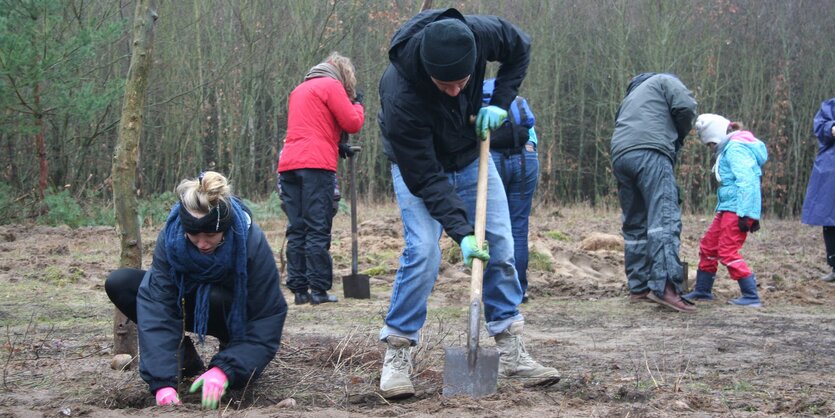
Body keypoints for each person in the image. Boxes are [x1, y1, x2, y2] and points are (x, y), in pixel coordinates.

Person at [376, 8, 559, 399]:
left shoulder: (478, 35)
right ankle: (397, 351)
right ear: (428, 73)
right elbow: (424, 177)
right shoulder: (400, 93)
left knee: (502, 246)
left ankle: (510, 347)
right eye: (447, 85)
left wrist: (502, 100)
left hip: (472, 154)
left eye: (463, 82)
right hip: (419, 166)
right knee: (424, 250)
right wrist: (460, 232)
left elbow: (520, 47)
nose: (457, 91)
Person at [105, 171, 287, 409]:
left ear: (225, 227)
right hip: (189, 304)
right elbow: (158, 305)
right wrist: (162, 383)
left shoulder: (250, 240)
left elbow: (267, 315)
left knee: (215, 296)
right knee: (123, 283)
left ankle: (231, 351)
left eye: (210, 235)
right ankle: (183, 360)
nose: (202, 243)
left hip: (236, 315)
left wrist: (226, 369)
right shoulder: (172, 237)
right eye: (194, 235)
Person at [276, 52, 365, 305]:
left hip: (289, 164)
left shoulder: (300, 89)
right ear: (342, 73)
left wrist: (338, 146)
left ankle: (299, 290)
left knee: (297, 228)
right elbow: (352, 122)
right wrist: (358, 104)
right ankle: (319, 290)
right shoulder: (330, 85)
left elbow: (313, 128)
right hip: (316, 165)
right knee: (317, 227)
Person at [610, 72, 698, 312]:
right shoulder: (663, 80)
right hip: (651, 151)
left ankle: (638, 287)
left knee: (635, 222)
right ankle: (666, 287)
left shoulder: (629, 98)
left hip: (620, 155)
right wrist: (677, 136)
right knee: (664, 218)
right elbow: (686, 106)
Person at [684, 114, 768, 307]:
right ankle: (703, 290)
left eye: (710, 144)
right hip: (727, 207)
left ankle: (751, 295)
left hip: (738, 209)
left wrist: (747, 214)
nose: (711, 149)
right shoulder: (729, 147)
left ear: (717, 137)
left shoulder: (737, 149)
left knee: (727, 251)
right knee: (708, 246)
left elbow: (747, 181)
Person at [482, 78, 539, 303]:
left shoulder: (479, 104)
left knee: (494, 226)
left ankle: (496, 289)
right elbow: (532, 136)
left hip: (493, 158)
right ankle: (519, 289)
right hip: (527, 156)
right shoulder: (518, 103)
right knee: (518, 226)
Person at [801, 98, 835, 283]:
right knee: (831, 220)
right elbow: (821, 126)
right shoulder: (831, 105)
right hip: (832, 170)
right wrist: (831, 128)